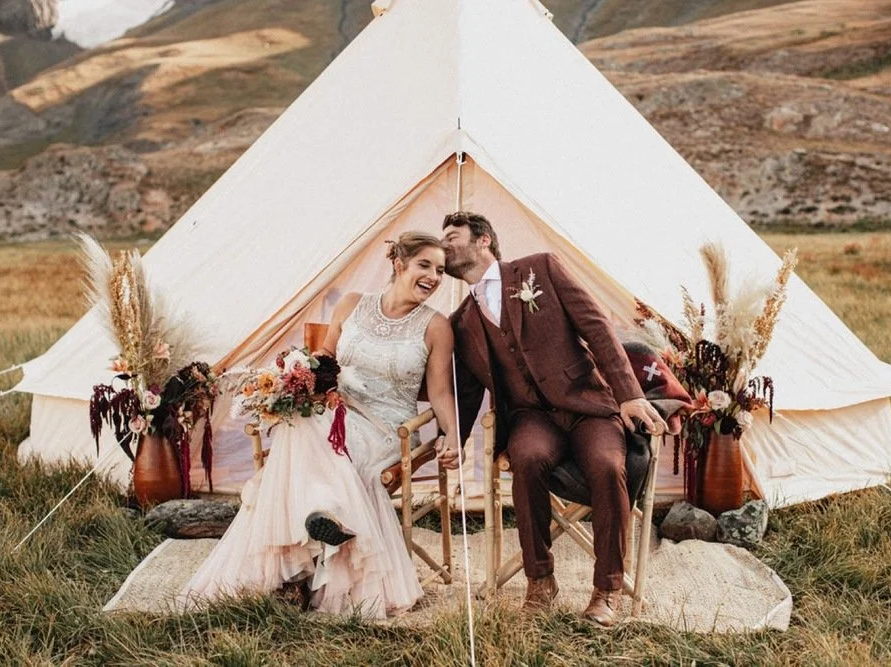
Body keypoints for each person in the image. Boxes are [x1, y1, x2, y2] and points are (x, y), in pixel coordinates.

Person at [181, 232, 459, 619]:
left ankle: (294, 577)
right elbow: (324, 359)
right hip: (335, 411)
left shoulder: (436, 326)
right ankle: (316, 531)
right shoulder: (351, 304)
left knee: (302, 443)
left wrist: (451, 435)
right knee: (301, 424)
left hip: (386, 427)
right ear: (398, 264)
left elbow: (442, 392)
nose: (434, 276)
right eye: (424, 265)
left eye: (441, 270)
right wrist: (296, 380)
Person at [440, 211, 666, 627]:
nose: (444, 245)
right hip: (530, 417)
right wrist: (451, 437)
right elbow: (466, 393)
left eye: (452, 237)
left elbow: (597, 327)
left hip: (587, 405)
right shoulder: (461, 323)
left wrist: (630, 395)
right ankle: (540, 581)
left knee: (608, 464)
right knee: (526, 458)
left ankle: (607, 589)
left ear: (484, 240)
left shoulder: (540, 268)